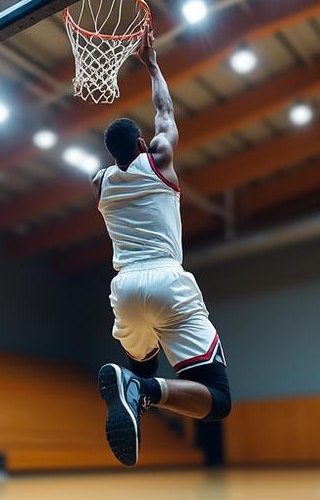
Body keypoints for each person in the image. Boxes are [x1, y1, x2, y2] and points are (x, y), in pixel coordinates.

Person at [93, 31, 230, 467]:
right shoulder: (158, 159)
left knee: (143, 364)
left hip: (124, 288)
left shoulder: (98, 184)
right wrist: (152, 65)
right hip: (167, 279)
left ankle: (138, 389)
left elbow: (112, 168)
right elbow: (165, 111)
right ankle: (144, 393)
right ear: (140, 145)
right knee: (219, 399)